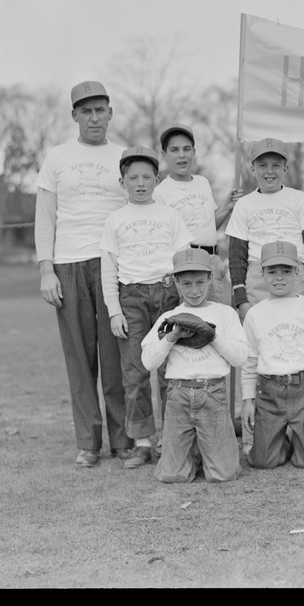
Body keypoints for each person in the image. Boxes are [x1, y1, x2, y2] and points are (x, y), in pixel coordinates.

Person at [35, 80, 132, 468]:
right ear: (74, 115)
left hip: (113, 264)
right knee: (79, 357)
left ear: (110, 113)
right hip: (68, 263)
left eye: (100, 110)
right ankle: (88, 442)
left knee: (115, 358)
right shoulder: (57, 158)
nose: (94, 118)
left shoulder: (125, 156)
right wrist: (47, 270)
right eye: (86, 111)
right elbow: (45, 218)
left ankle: (124, 441)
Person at [100, 145, 193, 468]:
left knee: (171, 369)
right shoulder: (115, 220)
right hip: (132, 298)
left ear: (157, 178)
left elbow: (184, 259)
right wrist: (114, 310)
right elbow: (109, 269)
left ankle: (172, 437)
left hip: (167, 294)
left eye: (147, 177)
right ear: (122, 181)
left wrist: (184, 302)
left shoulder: (170, 215)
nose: (140, 183)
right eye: (133, 177)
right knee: (135, 372)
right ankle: (141, 441)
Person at [141, 247, 247, 483]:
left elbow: (240, 358)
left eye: (200, 282)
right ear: (176, 283)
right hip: (178, 394)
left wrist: (213, 336)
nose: (195, 290)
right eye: (186, 284)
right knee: (171, 476)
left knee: (224, 475)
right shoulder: (170, 316)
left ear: (210, 278)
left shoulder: (225, 314)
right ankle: (194, 452)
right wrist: (172, 336)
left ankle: (205, 449)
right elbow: (148, 362)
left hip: (213, 392)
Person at [241, 240, 304, 469]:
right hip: (269, 391)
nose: (279, 277)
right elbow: (249, 363)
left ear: (298, 272)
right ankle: (281, 439)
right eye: (272, 271)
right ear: (262, 273)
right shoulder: (255, 314)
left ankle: (303, 438)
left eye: (286, 271)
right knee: (263, 462)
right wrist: (248, 400)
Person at [225, 138, 304, 322]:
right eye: (263, 165)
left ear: (285, 168)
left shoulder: (299, 199)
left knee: (297, 327)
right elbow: (236, 254)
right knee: (263, 331)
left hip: (294, 273)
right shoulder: (244, 205)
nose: (269, 171)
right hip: (259, 275)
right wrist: (241, 299)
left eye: (276, 165)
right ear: (252, 169)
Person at [153, 123, 242, 304]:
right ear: (164, 155)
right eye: (174, 150)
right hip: (188, 264)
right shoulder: (160, 192)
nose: (182, 155)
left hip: (213, 261)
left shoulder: (203, 183)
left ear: (194, 152)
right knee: (194, 322)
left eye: (187, 149)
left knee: (215, 320)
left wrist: (227, 208)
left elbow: (208, 227)